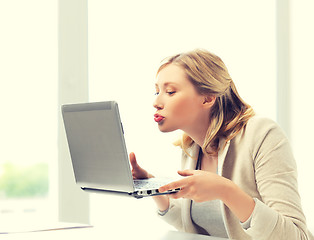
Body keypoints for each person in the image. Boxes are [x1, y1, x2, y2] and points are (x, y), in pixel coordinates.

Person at [129, 49, 314, 239]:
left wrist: (224, 190)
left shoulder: (262, 134)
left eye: (170, 92)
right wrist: (154, 189)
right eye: (156, 91)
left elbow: (296, 236)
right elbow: (201, 228)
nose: (156, 102)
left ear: (208, 98)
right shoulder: (192, 148)